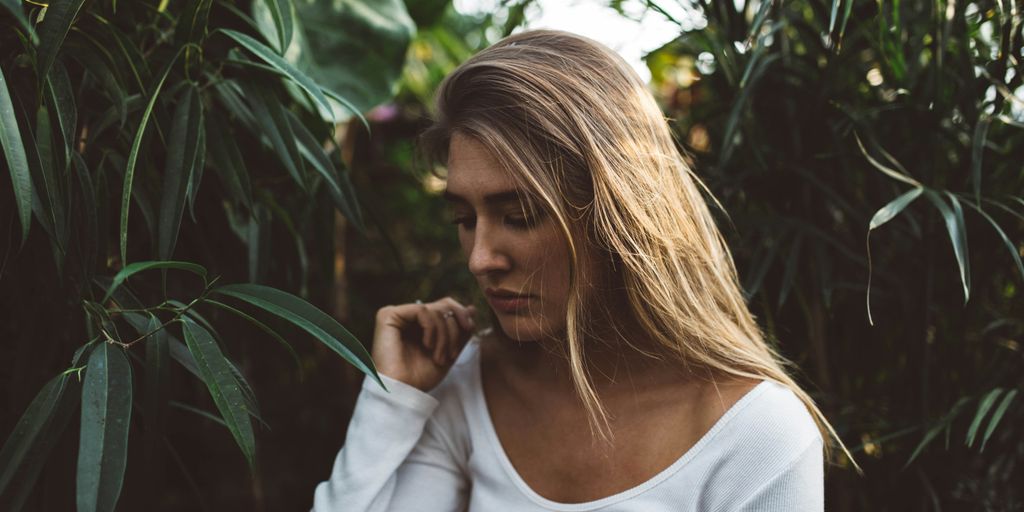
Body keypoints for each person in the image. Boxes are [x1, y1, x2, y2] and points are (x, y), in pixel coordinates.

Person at [312, 29, 849, 511]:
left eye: (519, 216)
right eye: (463, 218)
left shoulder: (753, 433)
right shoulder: (470, 384)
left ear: (617, 217)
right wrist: (392, 401)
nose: (479, 259)